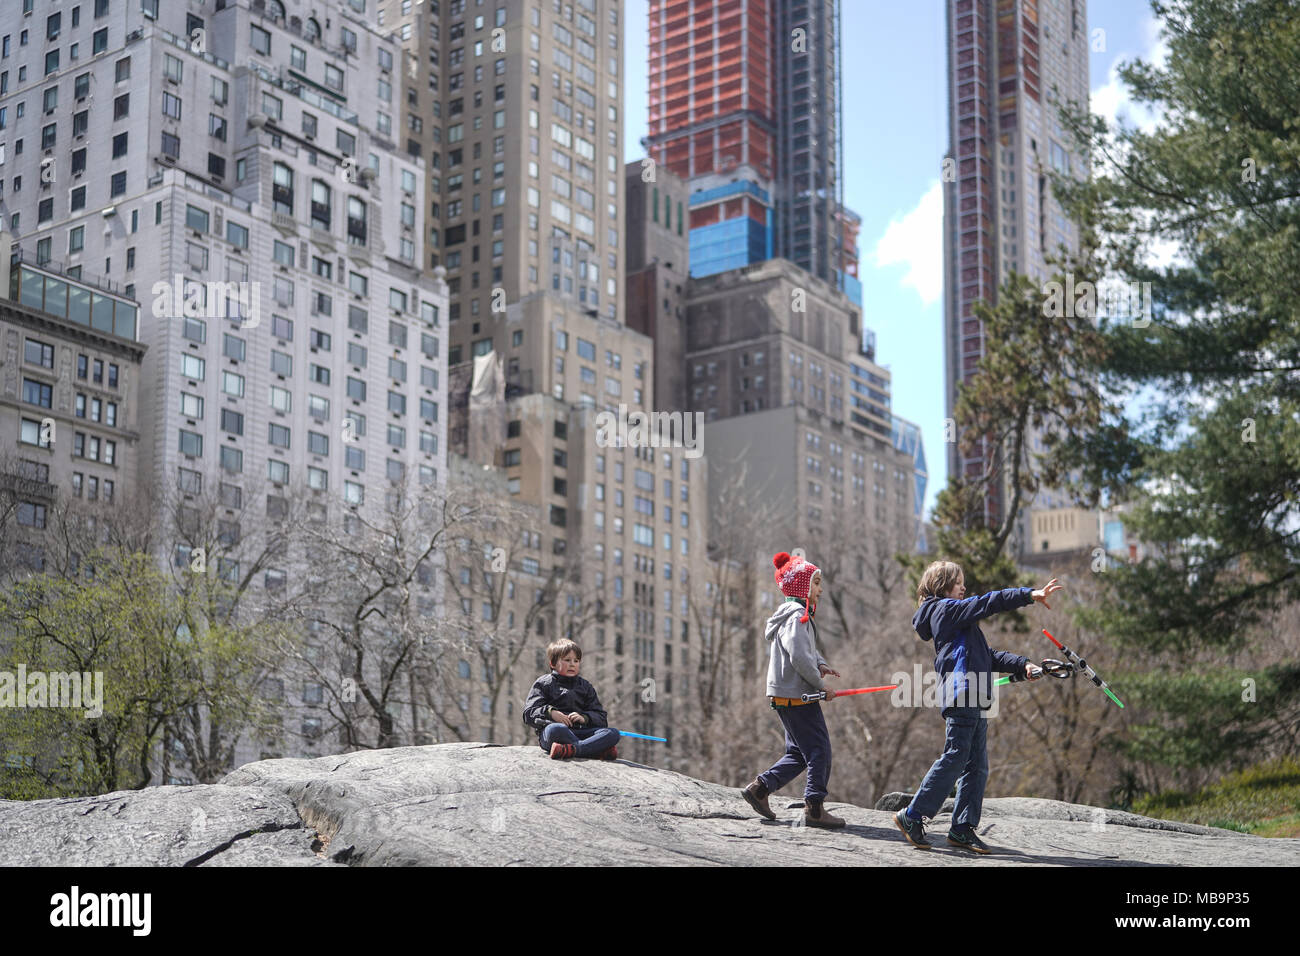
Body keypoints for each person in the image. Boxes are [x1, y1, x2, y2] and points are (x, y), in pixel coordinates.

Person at [893, 561, 1063, 853]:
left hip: (974, 695)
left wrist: (1025, 665)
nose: (963, 588)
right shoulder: (945, 610)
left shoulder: (960, 625)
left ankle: (961, 828)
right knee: (957, 757)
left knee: (977, 766)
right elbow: (989, 602)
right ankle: (912, 815)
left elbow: (989, 656)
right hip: (963, 694)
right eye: (958, 582)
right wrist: (1028, 595)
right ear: (942, 584)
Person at [741, 551, 845, 829]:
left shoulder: (792, 616)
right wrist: (821, 687)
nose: (820, 590)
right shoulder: (797, 615)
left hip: (785, 694)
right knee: (819, 750)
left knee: (798, 753)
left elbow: (806, 651)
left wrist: (820, 664)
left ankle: (760, 789)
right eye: (816, 583)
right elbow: (799, 656)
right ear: (801, 587)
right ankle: (814, 809)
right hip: (798, 695)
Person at [522, 639, 620, 760]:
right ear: (553, 663)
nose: (572, 664)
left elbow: (601, 717)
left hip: (582, 733)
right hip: (555, 732)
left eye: (576, 661)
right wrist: (551, 713)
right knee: (556, 729)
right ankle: (593, 750)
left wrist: (584, 718)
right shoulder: (543, 683)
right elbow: (529, 713)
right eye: (567, 660)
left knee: (613, 734)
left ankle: (573, 749)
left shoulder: (585, 686)